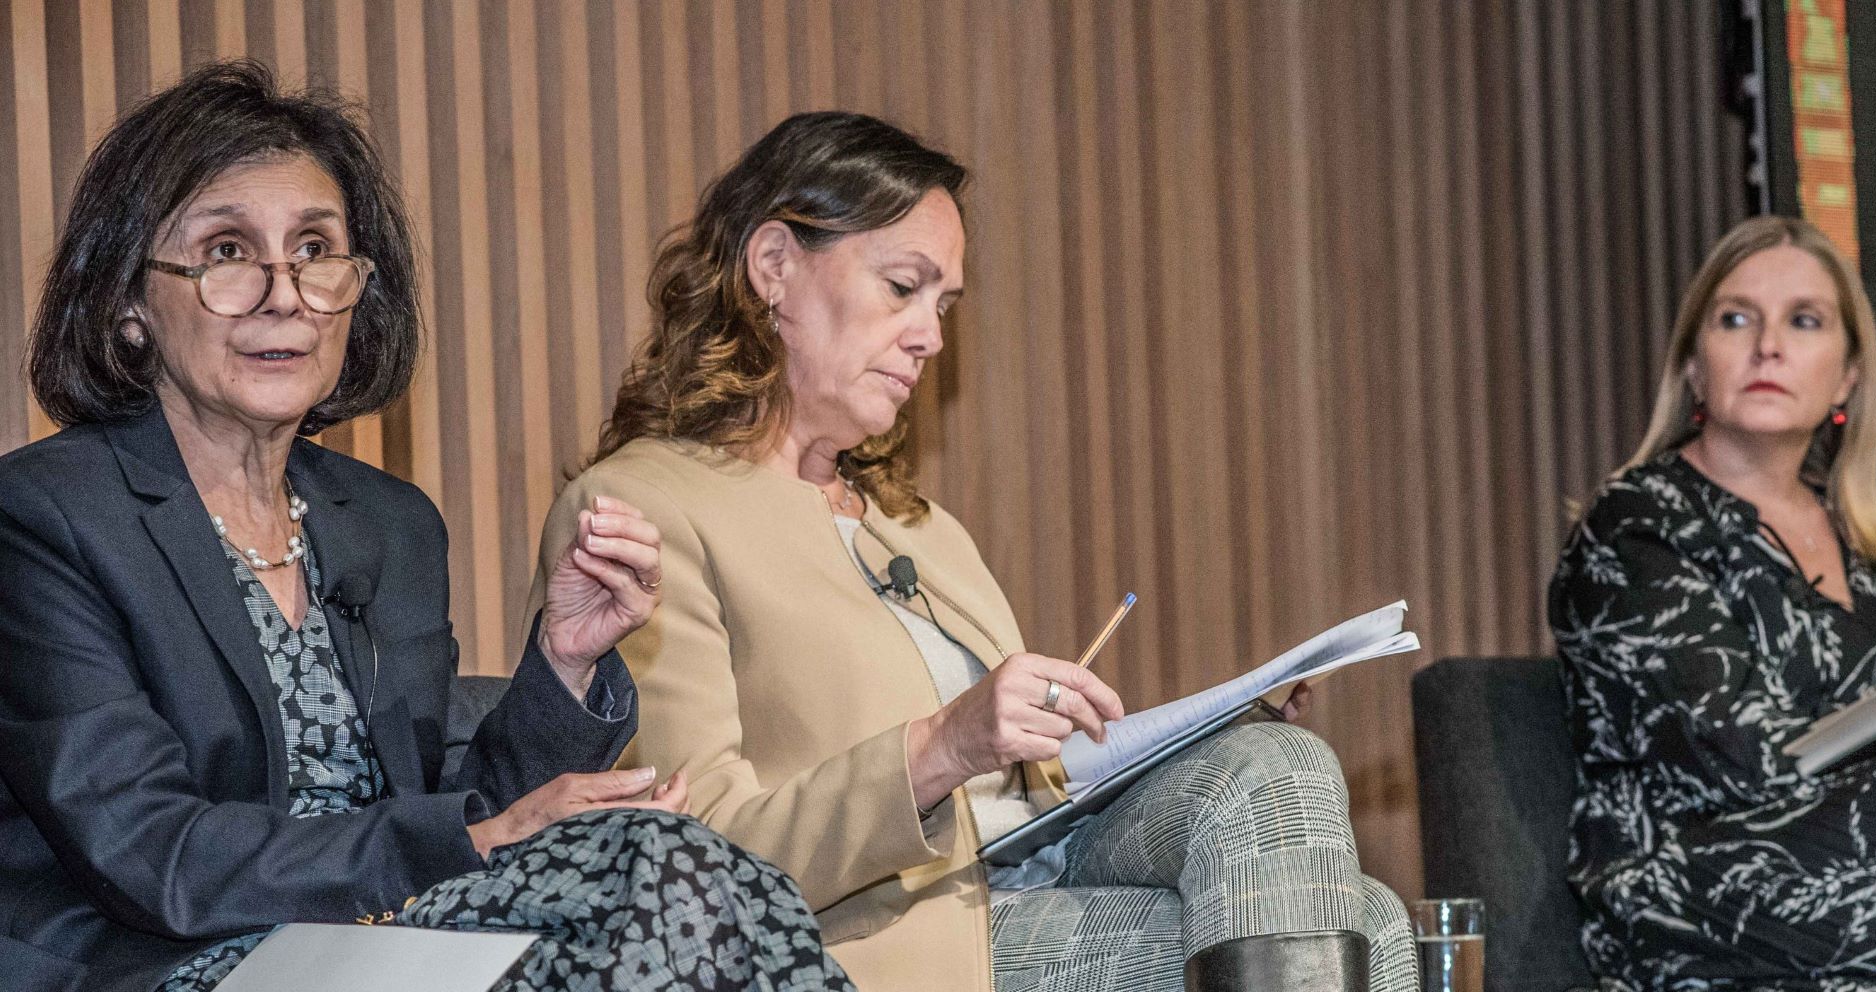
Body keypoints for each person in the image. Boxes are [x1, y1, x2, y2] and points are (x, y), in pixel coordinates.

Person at [0, 62, 852, 992]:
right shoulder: (48, 517)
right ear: (130, 304)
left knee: (670, 864)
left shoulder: (389, 525)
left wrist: (564, 663)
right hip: (161, 962)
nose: (284, 292)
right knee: (649, 870)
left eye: (317, 249)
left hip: (380, 943)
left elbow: (451, 804)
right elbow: (150, 850)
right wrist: (467, 840)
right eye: (229, 253)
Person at [531, 110, 1416, 992]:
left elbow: (1028, 793)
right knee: (1368, 928)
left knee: (1279, 766)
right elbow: (692, 857)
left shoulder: (917, 525)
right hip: (859, 944)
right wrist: (938, 749)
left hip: (1026, 876)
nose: (932, 337)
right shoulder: (643, 510)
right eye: (902, 287)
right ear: (773, 268)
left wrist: (1207, 725)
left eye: (944, 303)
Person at [1551, 215, 1876, 990]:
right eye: (1736, 319)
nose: (1767, 345)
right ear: (1695, 369)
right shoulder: (1633, 528)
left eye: (1803, 321)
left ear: (1846, 378)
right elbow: (1741, 765)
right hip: (1702, 887)